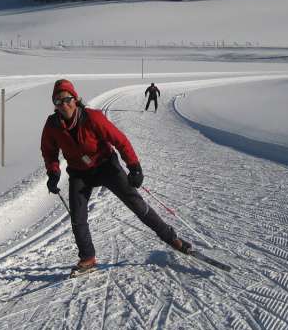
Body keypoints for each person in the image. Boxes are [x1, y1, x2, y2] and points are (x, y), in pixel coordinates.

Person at [41, 79, 192, 274]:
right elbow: (49, 151)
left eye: (67, 99)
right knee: (78, 217)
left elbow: (119, 140)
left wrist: (134, 166)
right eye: (58, 101)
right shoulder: (52, 125)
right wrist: (53, 172)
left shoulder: (92, 118)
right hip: (80, 173)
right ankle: (87, 258)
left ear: (75, 99)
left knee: (136, 203)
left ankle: (172, 239)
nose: (64, 105)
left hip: (105, 166)